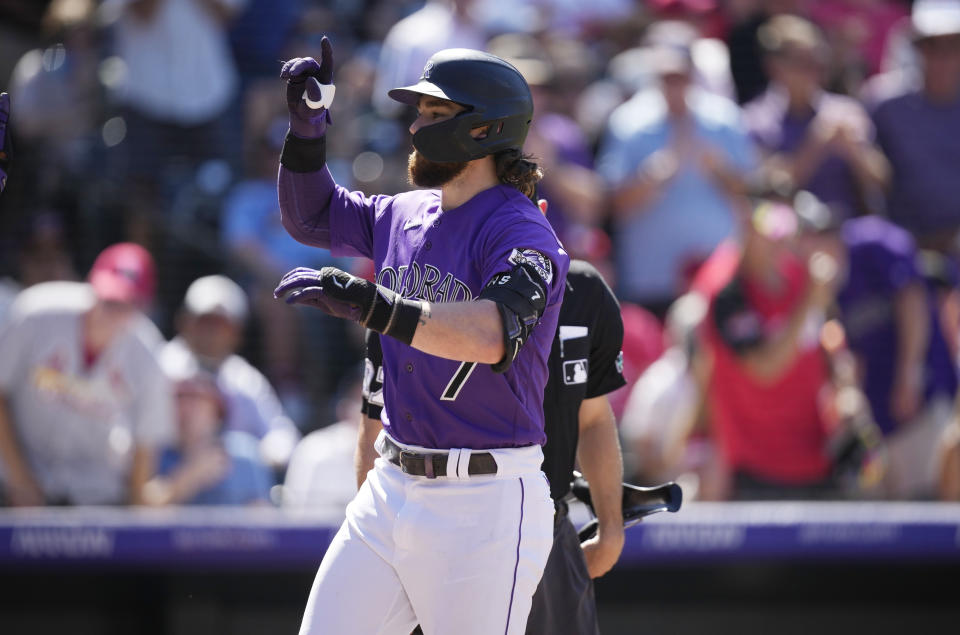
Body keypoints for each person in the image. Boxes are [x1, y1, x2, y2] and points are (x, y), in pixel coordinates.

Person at [274, 40, 569, 634]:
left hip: (483, 502)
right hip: (391, 486)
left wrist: (374, 307)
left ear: (485, 130)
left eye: (435, 115)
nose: (415, 127)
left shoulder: (521, 230)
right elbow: (310, 217)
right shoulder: (404, 213)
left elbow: (491, 333)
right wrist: (307, 131)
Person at [358, 246, 627, 635]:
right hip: (433, 534)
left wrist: (612, 528)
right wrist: (380, 552)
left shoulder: (582, 290)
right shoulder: (412, 295)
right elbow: (373, 438)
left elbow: (594, 417)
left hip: (545, 531)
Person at [794, 192, 958, 498]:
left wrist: (908, 375)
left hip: (922, 397)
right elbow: (841, 347)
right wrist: (848, 392)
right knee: (882, 516)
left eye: (819, 235)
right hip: (878, 420)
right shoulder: (821, 284)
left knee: (927, 502)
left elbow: (912, 299)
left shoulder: (874, 242)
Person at [0, 242, 175, 506]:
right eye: (108, 299)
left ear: (143, 308)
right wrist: (20, 478)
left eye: (125, 304)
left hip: (93, 496)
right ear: (90, 285)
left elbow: (144, 445)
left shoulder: (148, 356)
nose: (112, 312)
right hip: (14, 479)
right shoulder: (34, 314)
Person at [597, 43, 756, 319]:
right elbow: (612, 204)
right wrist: (655, 174)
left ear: (693, 77)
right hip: (650, 280)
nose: (674, 85)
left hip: (717, 278)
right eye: (666, 78)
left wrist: (719, 169)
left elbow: (751, 193)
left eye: (680, 76)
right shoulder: (628, 123)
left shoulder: (724, 120)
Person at [693, 198, 838, 499]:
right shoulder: (725, 288)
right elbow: (764, 368)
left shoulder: (799, 275)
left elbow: (829, 341)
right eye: (770, 233)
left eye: (786, 232)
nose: (781, 243)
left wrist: (847, 388)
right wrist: (811, 299)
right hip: (757, 469)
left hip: (818, 458)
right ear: (747, 227)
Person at [744, 14, 890, 219]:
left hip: (844, 233)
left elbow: (881, 182)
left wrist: (855, 151)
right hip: (788, 237)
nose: (813, 72)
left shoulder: (846, 111)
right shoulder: (756, 120)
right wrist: (815, 145)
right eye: (802, 63)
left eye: (818, 62)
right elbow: (767, 191)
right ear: (775, 67)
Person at [159, 274, 300, 471]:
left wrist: (244, 456)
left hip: (231, 487)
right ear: (185, 322)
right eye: (205, 321)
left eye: (221, 324)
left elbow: (283, 436)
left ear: (237, 333)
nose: (212, 332)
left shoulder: (246, 379)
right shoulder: (161, 366)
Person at [868, 0, 960, 253]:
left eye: (953, 45)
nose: (943, 57)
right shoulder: (883, 105)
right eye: (931, 45)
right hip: (902, 256)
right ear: (916, 47)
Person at [143, 371, 274, 506]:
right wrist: (189, 477)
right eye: (179, 398)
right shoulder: (155, 453)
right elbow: (142, 510)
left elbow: (262, 517)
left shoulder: (244, 453)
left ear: (217, 410)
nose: (185, 408)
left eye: (195, 398)